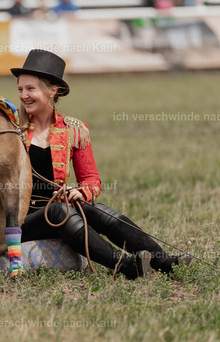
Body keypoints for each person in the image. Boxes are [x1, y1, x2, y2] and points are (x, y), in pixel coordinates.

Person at [12, 49, 191, 279]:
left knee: (97, 210)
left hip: (59, 212)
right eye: (20, 89)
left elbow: (91, 180)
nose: (23, 95)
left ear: (52, 91)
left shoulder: (75, 130)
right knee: (58, 211)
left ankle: (164, 262)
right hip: (20, 220)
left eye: (30, 89)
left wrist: (81, 192)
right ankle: (126, 266)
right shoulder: (10, 130)